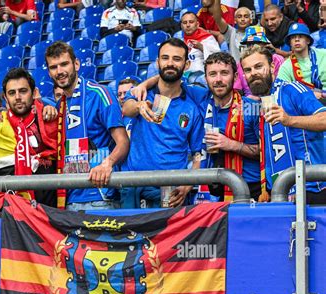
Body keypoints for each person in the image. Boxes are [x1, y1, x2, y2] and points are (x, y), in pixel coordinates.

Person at [45, 41, 130, 211]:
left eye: (64, 64)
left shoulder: (99, 94)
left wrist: (107, 163)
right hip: (69, 197)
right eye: (54, 67)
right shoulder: (58, 106)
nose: (60, 71)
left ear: (76, 64)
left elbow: (123, 142)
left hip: (100, 197)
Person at [122, 38, 204, 208]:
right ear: (158, 61)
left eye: (177, 59)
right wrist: (139, 106)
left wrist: (187, 185)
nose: (170, 63)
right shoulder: (141, 93)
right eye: (165, 58)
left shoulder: (191, 106)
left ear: (186, 65)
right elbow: (126, 109)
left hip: (171, 190)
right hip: (134, 186)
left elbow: (198, 154)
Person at [241, 45, 326, 203]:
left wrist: (289, 120)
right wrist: (267, 189)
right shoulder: (260, 104)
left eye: (259, 66)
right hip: (281, 193)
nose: (253, 73)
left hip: (312, 188)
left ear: (272, 66)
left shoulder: (292, 89)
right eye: (248, 70)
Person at [0, 68, 58, 206]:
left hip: (50, 211)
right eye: (12, 93)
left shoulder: (48, 119)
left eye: (23, 91)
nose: (18, 97)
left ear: (34, 93)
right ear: (5, 98)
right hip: (11, 212)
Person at [202, 52, 261, 201]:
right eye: (213, 74)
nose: (218, 80)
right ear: (206, 79)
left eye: (224, 73)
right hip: (218, 186)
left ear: (235, 77)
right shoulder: (201, 105)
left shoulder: (252, 107)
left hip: (252, 186)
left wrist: (231, 144)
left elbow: (266, 152)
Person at [277, 23, 326, 100]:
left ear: (308, 40)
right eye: (293, 37)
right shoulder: (285, 67)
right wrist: (310, 95)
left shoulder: (323, 54)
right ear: (290, 43)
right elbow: (282, 92)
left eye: (300, 36)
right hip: (302, 105)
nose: (296, 39)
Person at [234, 26, 285, 97]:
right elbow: (237, 89)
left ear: (264, 44)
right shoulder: (241, 64)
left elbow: (281, 84)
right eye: (250, 43)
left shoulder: (277, 59)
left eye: (257, 43)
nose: (254, 46)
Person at [180, 12, 221, 79]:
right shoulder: (180, 42)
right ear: (181, 26)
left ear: (197, 24)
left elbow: (218, 59)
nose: (188, 25)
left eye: (191, 22)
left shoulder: (208, 38)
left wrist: (202, 47)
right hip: (184, 76)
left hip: (203, 76)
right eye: (185, 23)